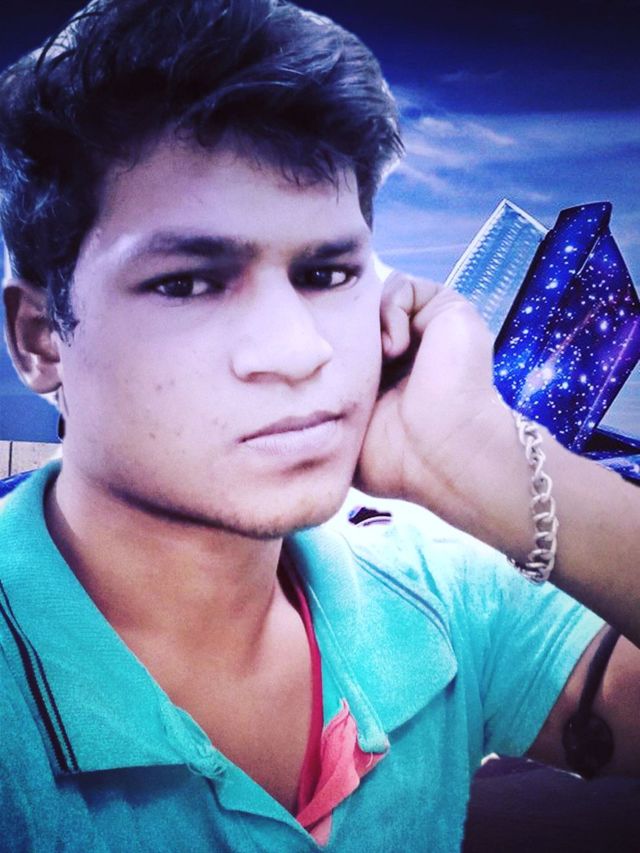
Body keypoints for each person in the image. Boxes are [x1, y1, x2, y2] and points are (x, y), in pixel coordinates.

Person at [0, 1, 638, 850]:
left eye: (327, 272)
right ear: (41, 338)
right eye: (187, 281)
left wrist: (491, 465)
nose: (299, 349)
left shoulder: (434, 588)